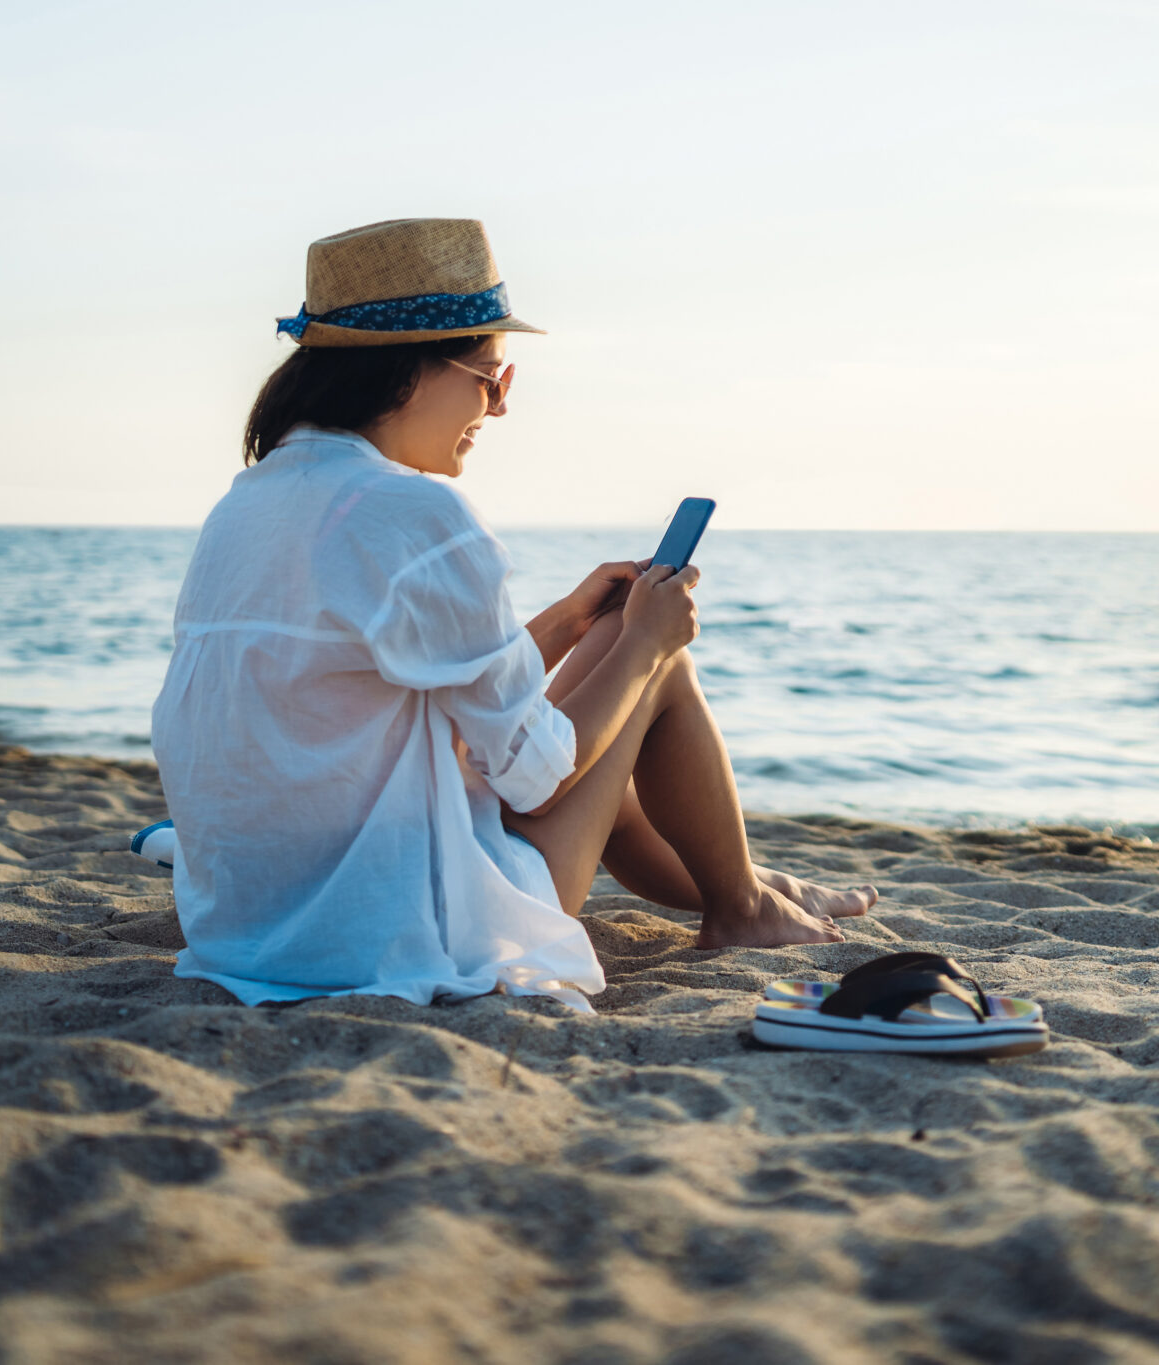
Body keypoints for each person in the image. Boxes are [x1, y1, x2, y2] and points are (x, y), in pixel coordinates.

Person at [150, 218, 875, 1013]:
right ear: (408, 374)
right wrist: (641, 645)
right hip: (397, 931)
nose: (497, 409)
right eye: (491, 377)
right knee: (656, 662)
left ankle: (749, 887)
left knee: (608, 640)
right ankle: (742, 903)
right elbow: (536, 778)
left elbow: (407, 689)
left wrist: (572, 623)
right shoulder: (416, 511)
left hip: (250, 924)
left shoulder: (246, 505)